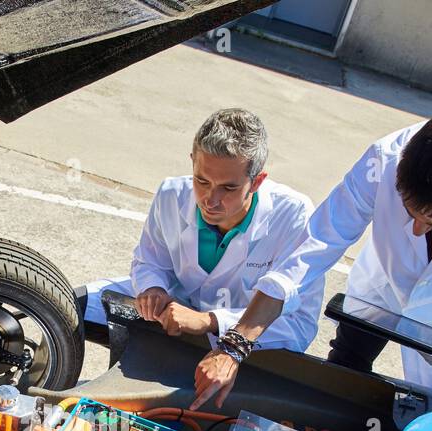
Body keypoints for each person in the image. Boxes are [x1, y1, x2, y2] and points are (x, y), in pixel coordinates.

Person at [191, 110, 432, 409]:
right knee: (342, 377)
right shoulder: (384, 158)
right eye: (409, 212)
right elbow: (314, 247)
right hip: (380, 285)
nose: (417, 231)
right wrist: (236, 344)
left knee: (425, 413)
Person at [77, 108, 323, 355]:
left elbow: (299, 326)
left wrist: (210, 321)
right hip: (173, 311)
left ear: (257, 181)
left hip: (238, 341)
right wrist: (153, 289)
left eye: (228, 188)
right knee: (70, 306)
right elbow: (149, 262)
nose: (210, 200)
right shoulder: (171, 194)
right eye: (202, 181)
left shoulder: (294, 217)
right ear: (192, 161)